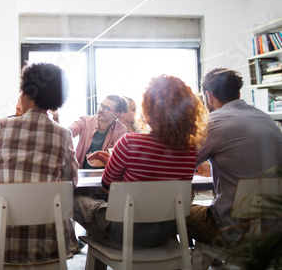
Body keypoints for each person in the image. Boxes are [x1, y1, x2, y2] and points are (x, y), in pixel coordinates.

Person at [0, 63, 79, 263]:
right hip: (48, 244)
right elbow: (71, 183)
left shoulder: (0, 127)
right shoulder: (64, 135)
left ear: (28, 95)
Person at [74, 75, 207, 257]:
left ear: (148, 109)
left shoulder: (129, 142)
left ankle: (74, 246)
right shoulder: (190, 150)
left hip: (123, 233)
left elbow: (106, 187)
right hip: (164, 233)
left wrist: (114, 164)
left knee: (73, 198)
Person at [186, 67, 282, 265]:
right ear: (238, 94)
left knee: (174, 213)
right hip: (275, 231)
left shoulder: (212, 122)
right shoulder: (268, 120)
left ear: (209, 97)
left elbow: (177, 167)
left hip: (235, 231)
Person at [69, 95, 127, 169]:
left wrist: (103, 162)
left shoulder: (120, 129)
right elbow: (67, 133)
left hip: (104, 175)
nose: (100, 110)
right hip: (82, 173)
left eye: (106, 108)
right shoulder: (85, 121)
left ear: (116, 114)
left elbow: (118, 157)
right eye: (101, 105)